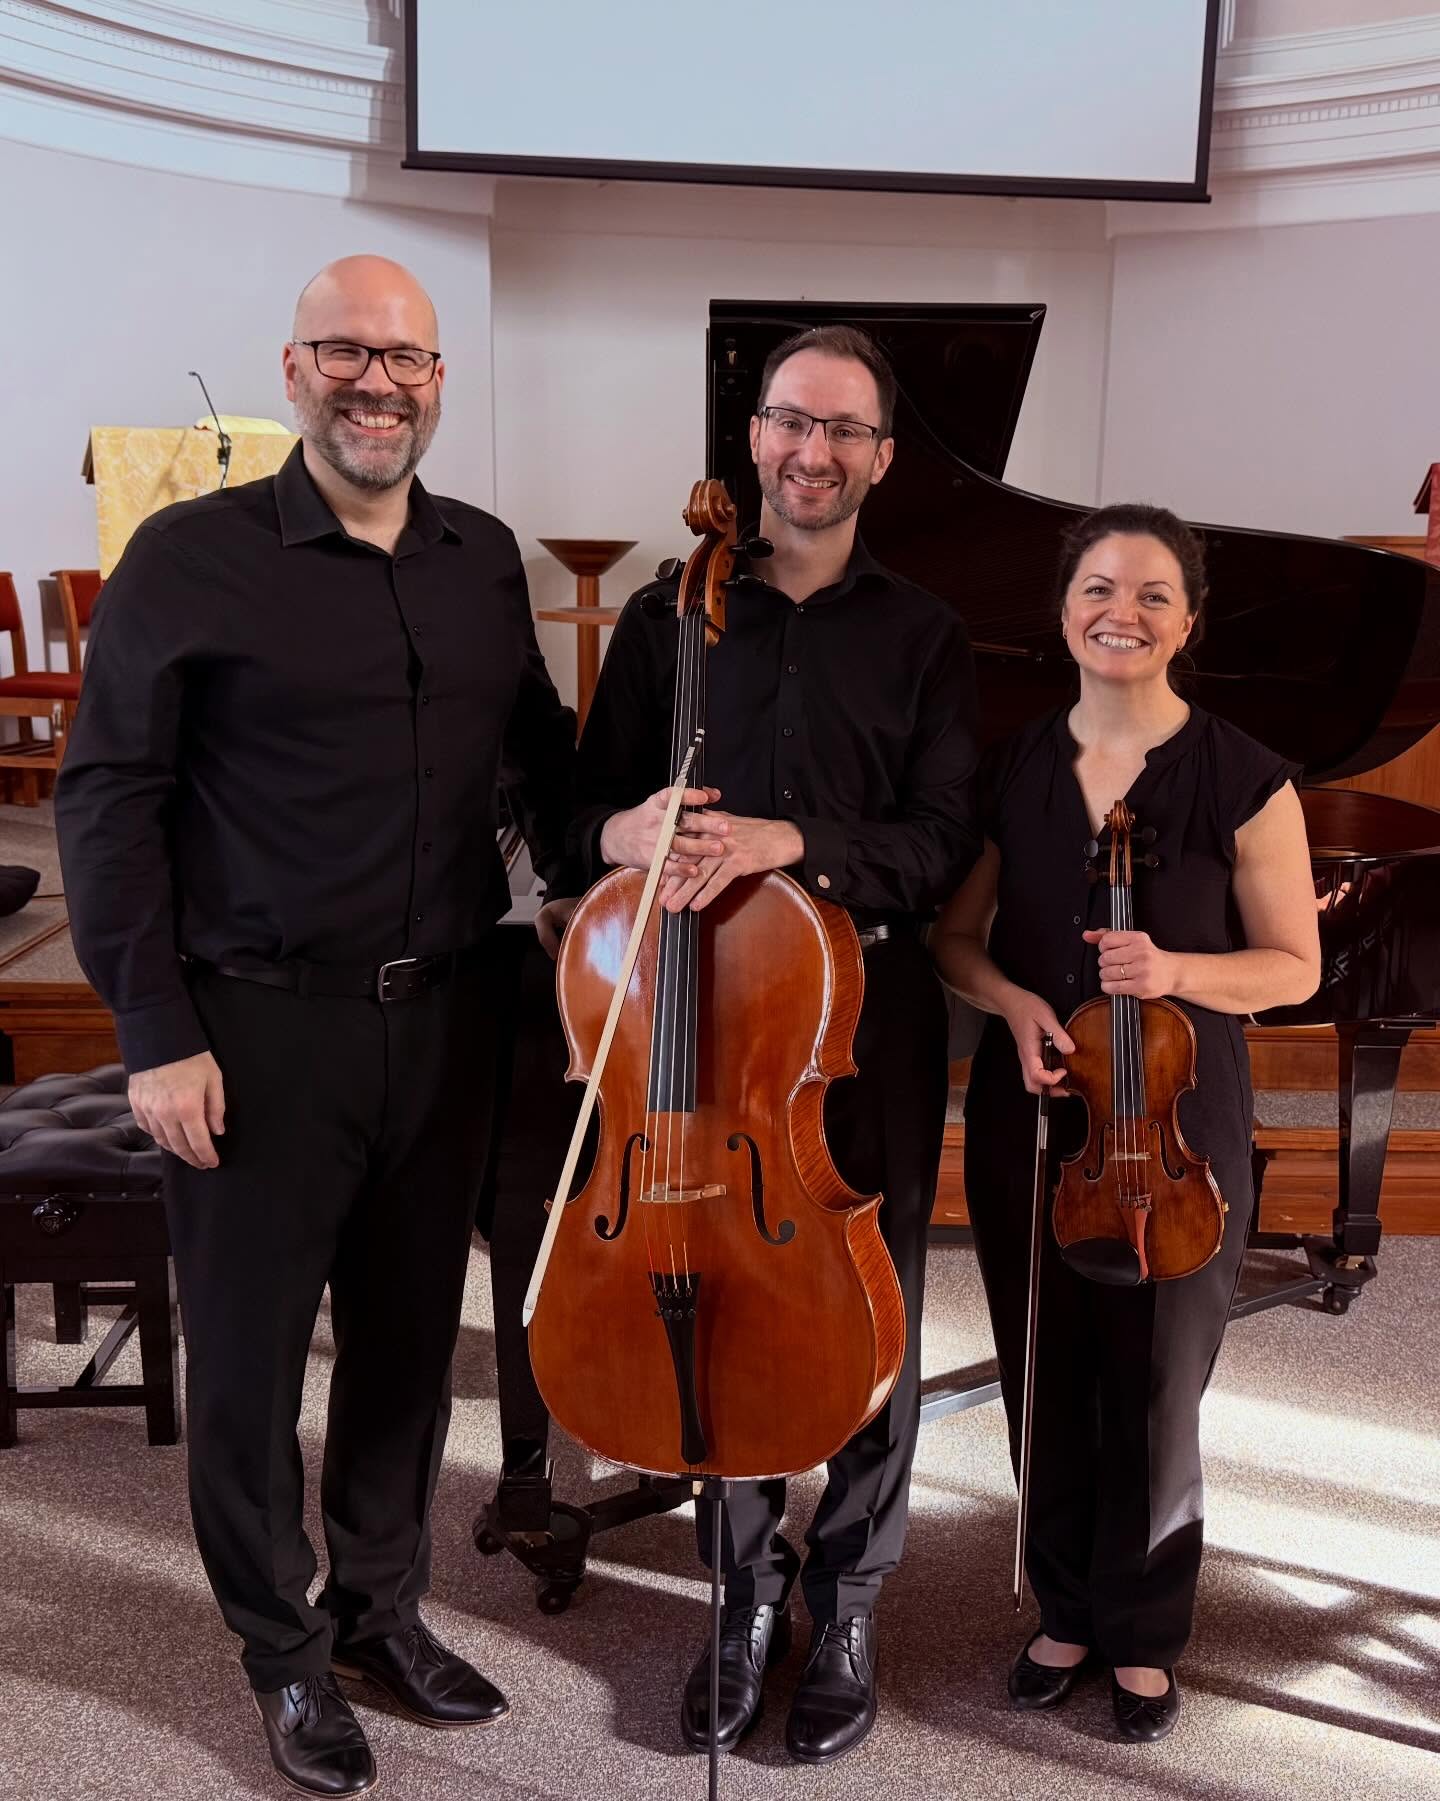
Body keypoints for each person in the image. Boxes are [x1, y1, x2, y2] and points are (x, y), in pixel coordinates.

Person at [55, 255, 575, 1798]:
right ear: (292, 369)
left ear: (437, 383)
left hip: (447, 1020)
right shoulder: (187, 557)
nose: (377, 382)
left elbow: (536, 757)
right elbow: (110, 799)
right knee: (250, 1369)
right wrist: (155, 1029)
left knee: (411, 1354)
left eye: (405, 360)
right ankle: (281, 1657)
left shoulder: (483, 559)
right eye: (345, 352)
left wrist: (608, 850)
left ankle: (377, 1612)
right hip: (253, 1030)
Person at [564, 325, 980, 1764]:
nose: (813, 453)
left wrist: (799, 840)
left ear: (878, 458)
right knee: (718, 1287)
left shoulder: (926, 635)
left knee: (872, 1305)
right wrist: (625, 828)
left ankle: (849, 1594)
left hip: (863, 1024)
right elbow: (583, 814)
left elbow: (940, 844)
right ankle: (740, 1590)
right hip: (699, 1031)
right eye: (790, 423)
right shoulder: (664, 618)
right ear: (751, 439)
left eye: (845, 432)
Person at [931, 503, 1319, 1742]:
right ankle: (1066, 1605)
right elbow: (953, 941)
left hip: (1180, 1113)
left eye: (1154, 594)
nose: (1124, 612)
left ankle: (1145, 1631)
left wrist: (1176, 972)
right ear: (1063, 612)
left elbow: (1294, 967)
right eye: (1101, 588)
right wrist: (1012, 1006)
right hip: (1040, 1103)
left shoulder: (1244, 775)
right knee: (1044, 1361)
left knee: (1156, 1378)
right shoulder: (1016, 767)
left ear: (1187, 621)